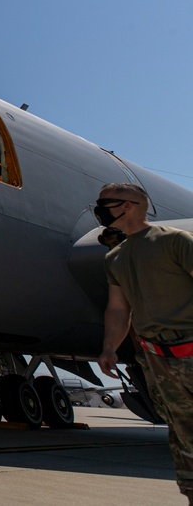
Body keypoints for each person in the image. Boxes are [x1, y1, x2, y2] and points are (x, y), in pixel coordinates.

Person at [95, 182, 193, 504]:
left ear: (128, 206)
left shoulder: (174, 241)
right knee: (183, 437)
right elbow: (118, 308)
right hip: (158, 360)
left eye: (105, 203)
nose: (99, 209)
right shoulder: (115, 257)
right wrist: (110, 348)